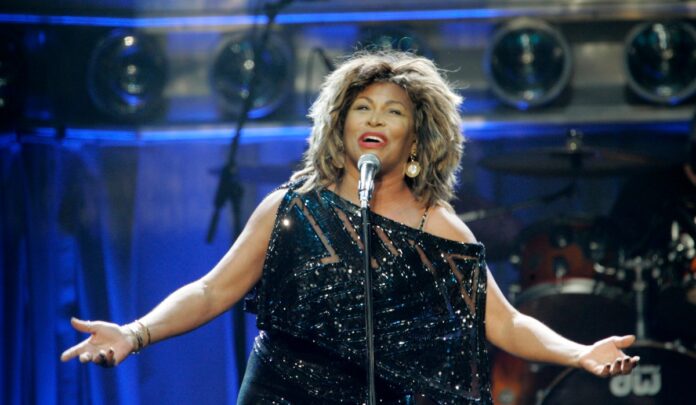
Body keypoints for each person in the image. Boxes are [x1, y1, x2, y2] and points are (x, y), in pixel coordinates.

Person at [61, 50, 639, 404]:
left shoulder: (437, 227)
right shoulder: (291, 207)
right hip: (276, 394)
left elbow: (505, 322)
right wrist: (134, 333)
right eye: (363, 108)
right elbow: (212, 290)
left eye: (394, 112)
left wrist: (580, 353)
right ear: (339, 126)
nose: (375, 119)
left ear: (417, 142)